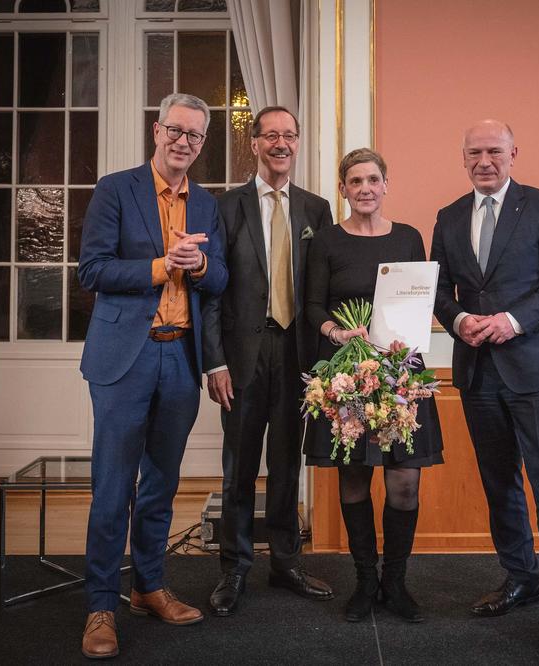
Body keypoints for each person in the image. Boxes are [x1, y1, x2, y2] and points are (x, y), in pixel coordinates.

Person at [430, 120, 539, 660]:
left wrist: (513, 321)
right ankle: (521, 578)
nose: (484, 161)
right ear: (464, 158)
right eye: (474, 152)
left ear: (514, 153)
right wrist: (458, 322)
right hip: (477, 371)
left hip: (537, 370)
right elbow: (438, 291)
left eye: (494, 151)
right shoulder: (449, 217)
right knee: (500, 485)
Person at [77, 92, 227, 659]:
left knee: (162, 483)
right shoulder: (117, 189)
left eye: (195, 135)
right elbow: (92, 270)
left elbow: (220, 281)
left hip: (179, 358)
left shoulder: (208, 204)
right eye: (176, 131)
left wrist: (204, 266)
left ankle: (148, 586)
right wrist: (163, 265)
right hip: (125, 356)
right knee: (113, 487)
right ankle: (99, 605)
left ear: (202, 143)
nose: (183, 142)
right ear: (156, 131)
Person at [202, 106, 334, 616]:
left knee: (286, 463)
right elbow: (212, 292)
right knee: (238, 467)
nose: (281, 143)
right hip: (241, 358)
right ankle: (234, 569)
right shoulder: (224, 206)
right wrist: (214, 361)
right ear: (253, 143)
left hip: (297, 355)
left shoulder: (315, 209)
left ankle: (285, 562)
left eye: (289, 135)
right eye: (271, 135)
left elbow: (321, 290)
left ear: (298, 144)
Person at [304, 148, 444, 623]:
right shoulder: (325, 242)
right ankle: (365, 581)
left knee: (405, 481)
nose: (365, 188)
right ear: (342, 189)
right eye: (355, 181)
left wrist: (408, 338)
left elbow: (422, 302)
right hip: (346, 370)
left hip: (401, 370)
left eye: (373, 180)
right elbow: (312, 307)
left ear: (386, 185)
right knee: (354, 477)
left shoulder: (408, 238)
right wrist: (338, 334)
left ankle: (395, 584)